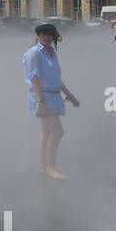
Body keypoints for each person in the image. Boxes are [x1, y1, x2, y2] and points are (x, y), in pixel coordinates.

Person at [23, 22, 81, 181]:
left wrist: (70, 95)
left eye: (50, 34)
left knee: (47, 131)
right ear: (38, 35)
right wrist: (41, 101)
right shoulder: (34, 53)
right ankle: (50, 167)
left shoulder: (52, 52)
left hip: (53, 95)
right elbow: (34, 78)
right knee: (57, 132)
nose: (47, 37)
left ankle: (42, 165)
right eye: (44, 34)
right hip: (42, 96)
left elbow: (56, 78)